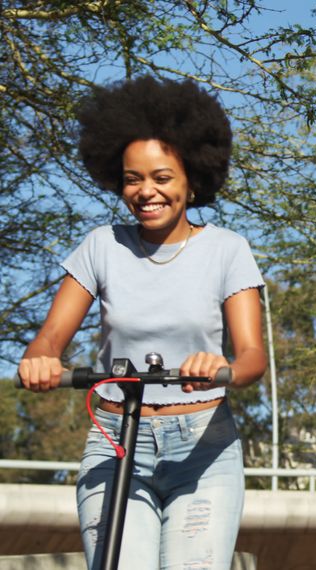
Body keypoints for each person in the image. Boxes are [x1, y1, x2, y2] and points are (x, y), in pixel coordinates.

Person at [17, 76, 267, 569]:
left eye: (162, 177)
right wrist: (39, 360)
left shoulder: (227, 250)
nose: (146, 191)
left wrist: (222, 368)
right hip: (115, 438)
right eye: (133, 179)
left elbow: (253, 357)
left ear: (192, 179)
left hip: (202, 446)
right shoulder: (102, 246)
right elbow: (50, 337)